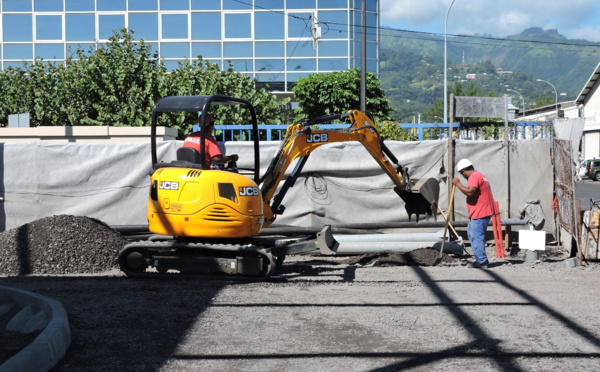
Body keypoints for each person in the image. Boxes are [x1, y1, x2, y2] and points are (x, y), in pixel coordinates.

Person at [452, 158, 495, 269]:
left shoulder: (474, 177)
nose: (464, 176)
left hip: (480, 212)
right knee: (472, 235)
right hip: (480, 211)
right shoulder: (479, 175)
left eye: (462, 174)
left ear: (463, 171)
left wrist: (457, 183)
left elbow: (470, 192)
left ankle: (482, 262)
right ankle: (480, 259)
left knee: (476, 236)